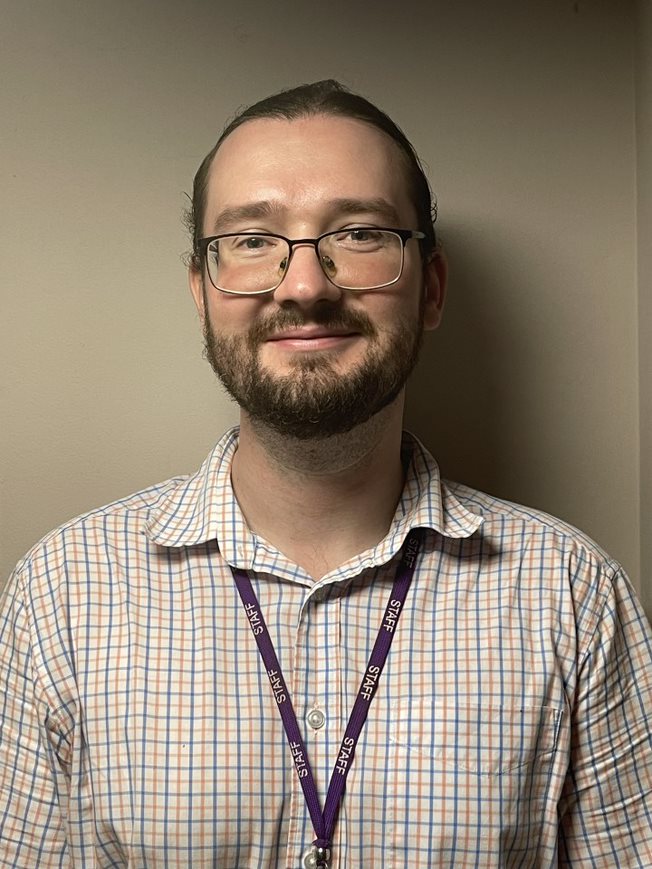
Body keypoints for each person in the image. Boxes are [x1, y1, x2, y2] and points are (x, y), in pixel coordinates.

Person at [1, 79, 651, 869]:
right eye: (251, 239)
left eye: (360, 233)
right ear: (202, 293)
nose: (305, 286)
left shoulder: (575, 600)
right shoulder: (62, 595)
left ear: (431, 288)